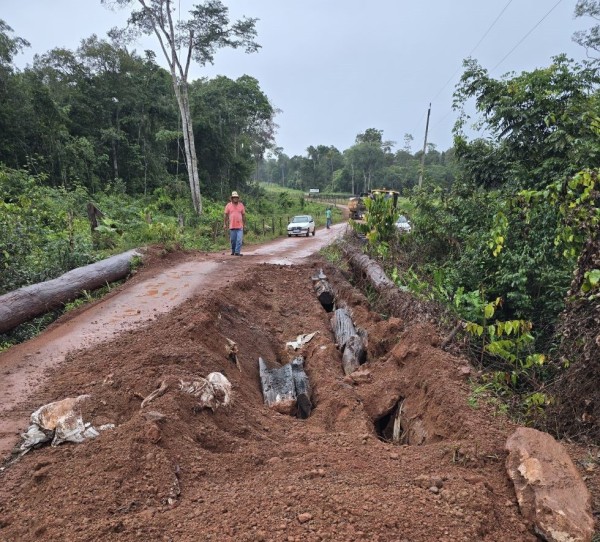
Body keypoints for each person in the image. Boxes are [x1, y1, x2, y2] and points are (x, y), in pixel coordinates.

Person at [224, 190, 246, 256]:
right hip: (232, 226)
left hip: (240, 226)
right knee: (233, 241)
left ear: (238, 198)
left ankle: (237, 252)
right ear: (232, 198)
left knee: (239, 240)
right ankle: (233, 251)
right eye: (234, 197)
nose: (235, 198)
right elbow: (226, 215)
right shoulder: (228, 205)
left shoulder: (241, 205)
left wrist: (244, 224)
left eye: (236, 197)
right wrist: (225, 224)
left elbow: (244, 215)